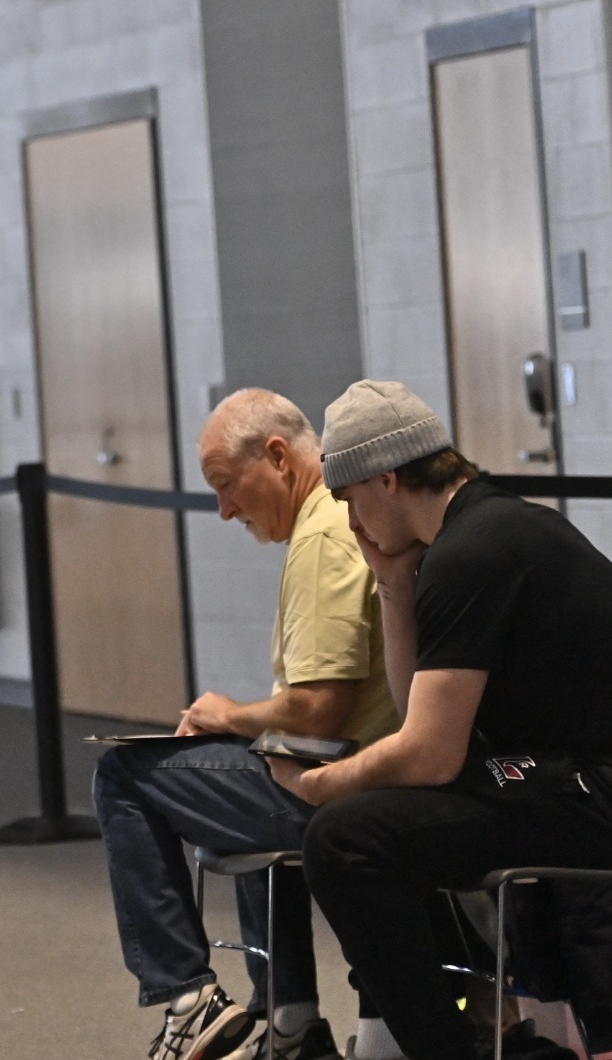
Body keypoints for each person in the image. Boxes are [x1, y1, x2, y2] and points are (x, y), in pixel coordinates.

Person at [272, 380, 612, 1060]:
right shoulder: (481, 529)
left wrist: (325, 783)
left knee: (346, 836)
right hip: (601, 774)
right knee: (381, 818)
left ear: (387, 479)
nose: (350, 521)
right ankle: (488, 1033)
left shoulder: (473, 551)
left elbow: (429, 753)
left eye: (348, 499)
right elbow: (417, 715)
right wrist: (394, 585)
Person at [92, 390, 400, 1060]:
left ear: (279, 457)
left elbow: (320, 707)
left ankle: (185, 995)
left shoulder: (323, 535)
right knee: (249, 755)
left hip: (348, 783)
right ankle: (288, 1020)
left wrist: (229, 712)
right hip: (371, 769)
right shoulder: (337, 519)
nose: (225, 508)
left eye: (228, 486)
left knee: (122, 774)